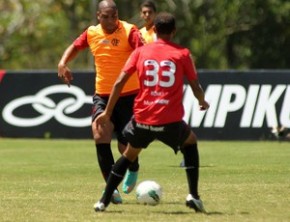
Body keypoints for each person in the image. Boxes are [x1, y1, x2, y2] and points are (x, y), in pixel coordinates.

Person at [94, 12, 210, 213]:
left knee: (129, 154)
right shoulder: (182, 53)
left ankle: (103, 201)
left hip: (143, 118)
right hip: (169, 119)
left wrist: (107, 111)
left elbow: (120, 82)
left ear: (154, 30)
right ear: (174, 32)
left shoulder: (140, 52)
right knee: (190, 142)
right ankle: (193, 195)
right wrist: (202, 101)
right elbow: (194, 85)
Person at [57, 0, 144, 204]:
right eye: (105, 16)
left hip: (129, 94)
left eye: (113, 16)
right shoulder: (91, 32)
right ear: (98, 16)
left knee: (125, 147)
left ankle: (133, 166)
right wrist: (63, 63)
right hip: (103, 95)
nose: (110, 20)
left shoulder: (130, 31)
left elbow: (143, 53)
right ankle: (111, 188)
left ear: (117, 15)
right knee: (99, 134)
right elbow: (75, 46)